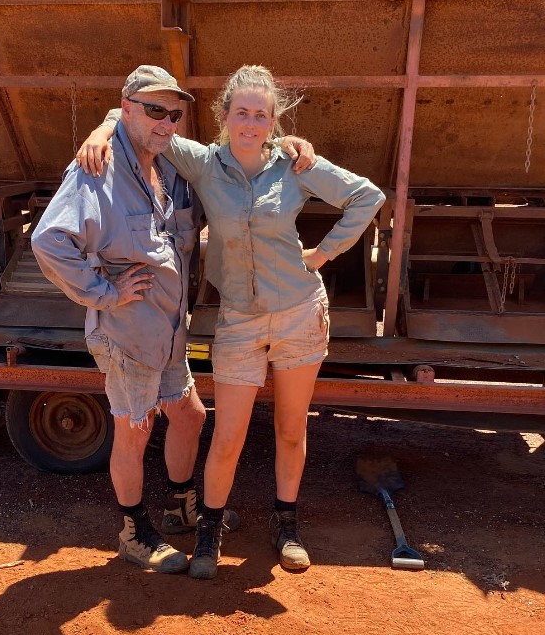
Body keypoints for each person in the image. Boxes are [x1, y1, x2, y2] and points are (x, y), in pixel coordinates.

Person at [77, 64, 386, 580]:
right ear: (224, 116)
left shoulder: (294, 165)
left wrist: (323, 255)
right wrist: (99, 130)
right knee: (228, 435)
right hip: (239, 321)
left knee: (290, 430)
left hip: (298, 314)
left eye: (260, 115)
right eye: (241, 112)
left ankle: (286, 524)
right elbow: (136, 116)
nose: (250, 123)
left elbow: (366, 197)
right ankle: (209, 529)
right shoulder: (202, 163)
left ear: (273, 122)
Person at [31, 64, 316, 574]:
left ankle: (182, 503)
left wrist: (289, 146)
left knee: (190, 416)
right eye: (153, 109)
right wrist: (102, 292)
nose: (165, 121)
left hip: (168, 333)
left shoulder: (172, 170)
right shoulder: (98, 169)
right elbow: (49, 241)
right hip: (128, 332)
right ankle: (134, 531)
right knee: (134, 430)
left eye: (174, 113)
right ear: (126, 107)